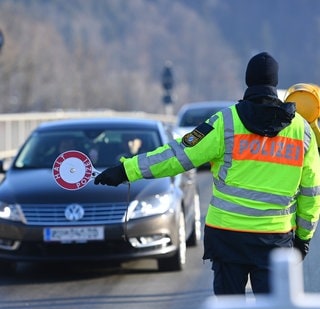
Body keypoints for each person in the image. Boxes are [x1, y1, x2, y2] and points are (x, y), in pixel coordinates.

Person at [94, 52, 320, 296]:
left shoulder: (225, 122)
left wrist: (127, 170)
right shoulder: (302, 131)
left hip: (228, 237)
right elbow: (311, 191)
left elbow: (177, 155)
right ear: (275, 83)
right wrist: (303, 238)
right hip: (275, 238)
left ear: (248, 81)